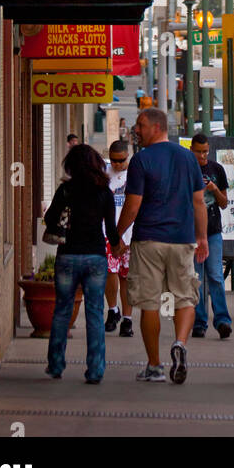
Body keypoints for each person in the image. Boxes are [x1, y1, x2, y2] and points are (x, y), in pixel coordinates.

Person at [116, 107, 208, 385]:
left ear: (157, 127)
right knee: (186, 298)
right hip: (181, 241)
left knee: (148, 302)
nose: (137, 130)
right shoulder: (188, 158)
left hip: (148, 241)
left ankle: (155, 366)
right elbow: (198, 202)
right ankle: (180, 343)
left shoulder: (141, 160)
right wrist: (201, 237)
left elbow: (132, 205)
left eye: (141, 125)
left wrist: (117, 236)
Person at [44, 144, 119, 384]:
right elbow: (111, 228)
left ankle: (56, 365)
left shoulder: (65, 190)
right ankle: (95, 370)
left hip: (68, 255)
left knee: (62, 311)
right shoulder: (104, 192)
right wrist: (117, 247)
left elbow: (49, 218)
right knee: (95, 313)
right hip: (95, 257)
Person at [190, 133, 232, 339]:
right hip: (191, 232)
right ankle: (200, 322)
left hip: (213, 231)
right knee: (196, 278)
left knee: (215, 276)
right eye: (199, 152)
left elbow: (224, 203)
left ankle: (223, 320)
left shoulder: (216, 169)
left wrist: (215, 189)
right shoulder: (187, 169)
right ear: (192, 150)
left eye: (205, 151)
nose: (203, 155)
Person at [104, 139, 134, 336]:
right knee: (110, 271)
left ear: (127, 156)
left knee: (127, 277)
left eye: (121, 160)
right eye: (113, 160)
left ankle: (128, 318)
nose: (116, 164)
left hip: (131, 235)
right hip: (108, 233)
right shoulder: (104, 174)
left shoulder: (135, 175)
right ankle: (113, 310)